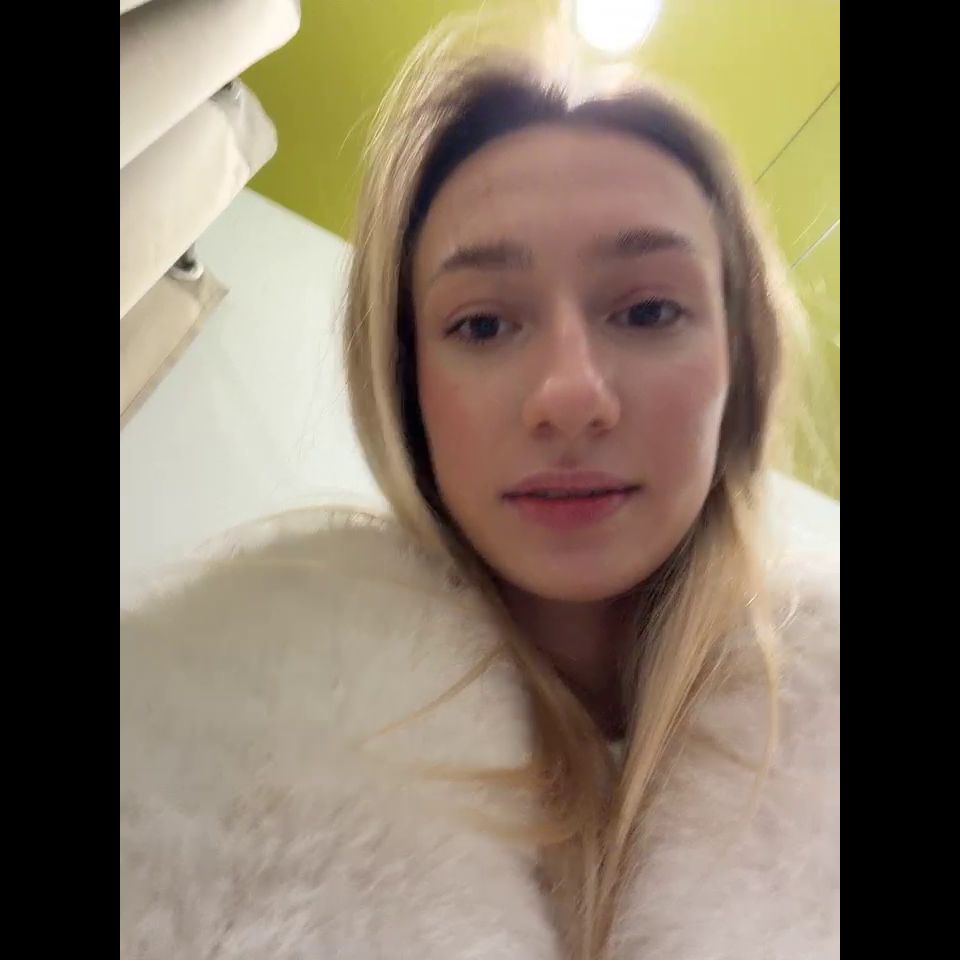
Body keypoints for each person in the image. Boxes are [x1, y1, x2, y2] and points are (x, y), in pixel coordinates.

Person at [120, 35, 839, 960]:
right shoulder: (182, 756)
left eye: (648, 310)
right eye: (485, 323)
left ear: (740, 367)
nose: (569, 395)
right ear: (407, 386)